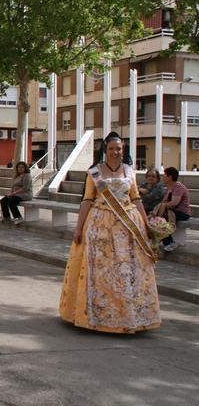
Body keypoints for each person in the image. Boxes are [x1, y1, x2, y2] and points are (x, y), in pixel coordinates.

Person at [59, 132, 159, 333]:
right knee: (101, 270)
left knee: (126, 270)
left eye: (118, 149)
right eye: (111, 148)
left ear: (123, 150)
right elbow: (87, 200)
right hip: (100, 224)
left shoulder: (129, 171)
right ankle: (98, 315)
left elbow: (136, 198)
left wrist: (146, 224)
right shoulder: (94, 172)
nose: (115, 152)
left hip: (128, 225)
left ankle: (128, 315)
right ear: (105, 150)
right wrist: (78, 228)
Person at [153, 167, 191, 251]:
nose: (163, 177)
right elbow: (164, 203)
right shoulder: (169, 188)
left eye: (164, 175)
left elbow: (174, 203)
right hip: (172, 211)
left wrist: (162, 206)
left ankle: (169, 243)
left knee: (162, 218)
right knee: (157, 218)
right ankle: (162, 241)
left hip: (182, 213)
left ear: (170, 177)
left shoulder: (178, 187)